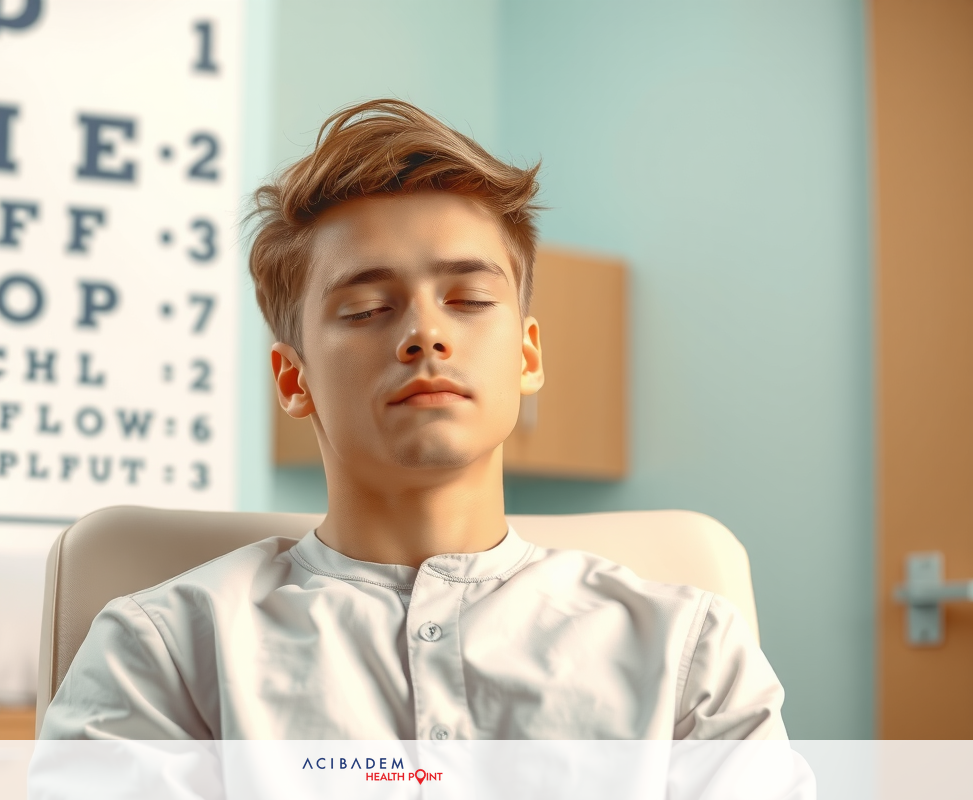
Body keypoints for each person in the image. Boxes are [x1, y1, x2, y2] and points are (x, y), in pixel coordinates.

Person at [39, 99, 788, 741]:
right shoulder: (165, 654)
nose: (425, 335)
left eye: (468, 300)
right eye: (366, 309)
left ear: (527, 356)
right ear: (293, 378)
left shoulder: (691, 651)